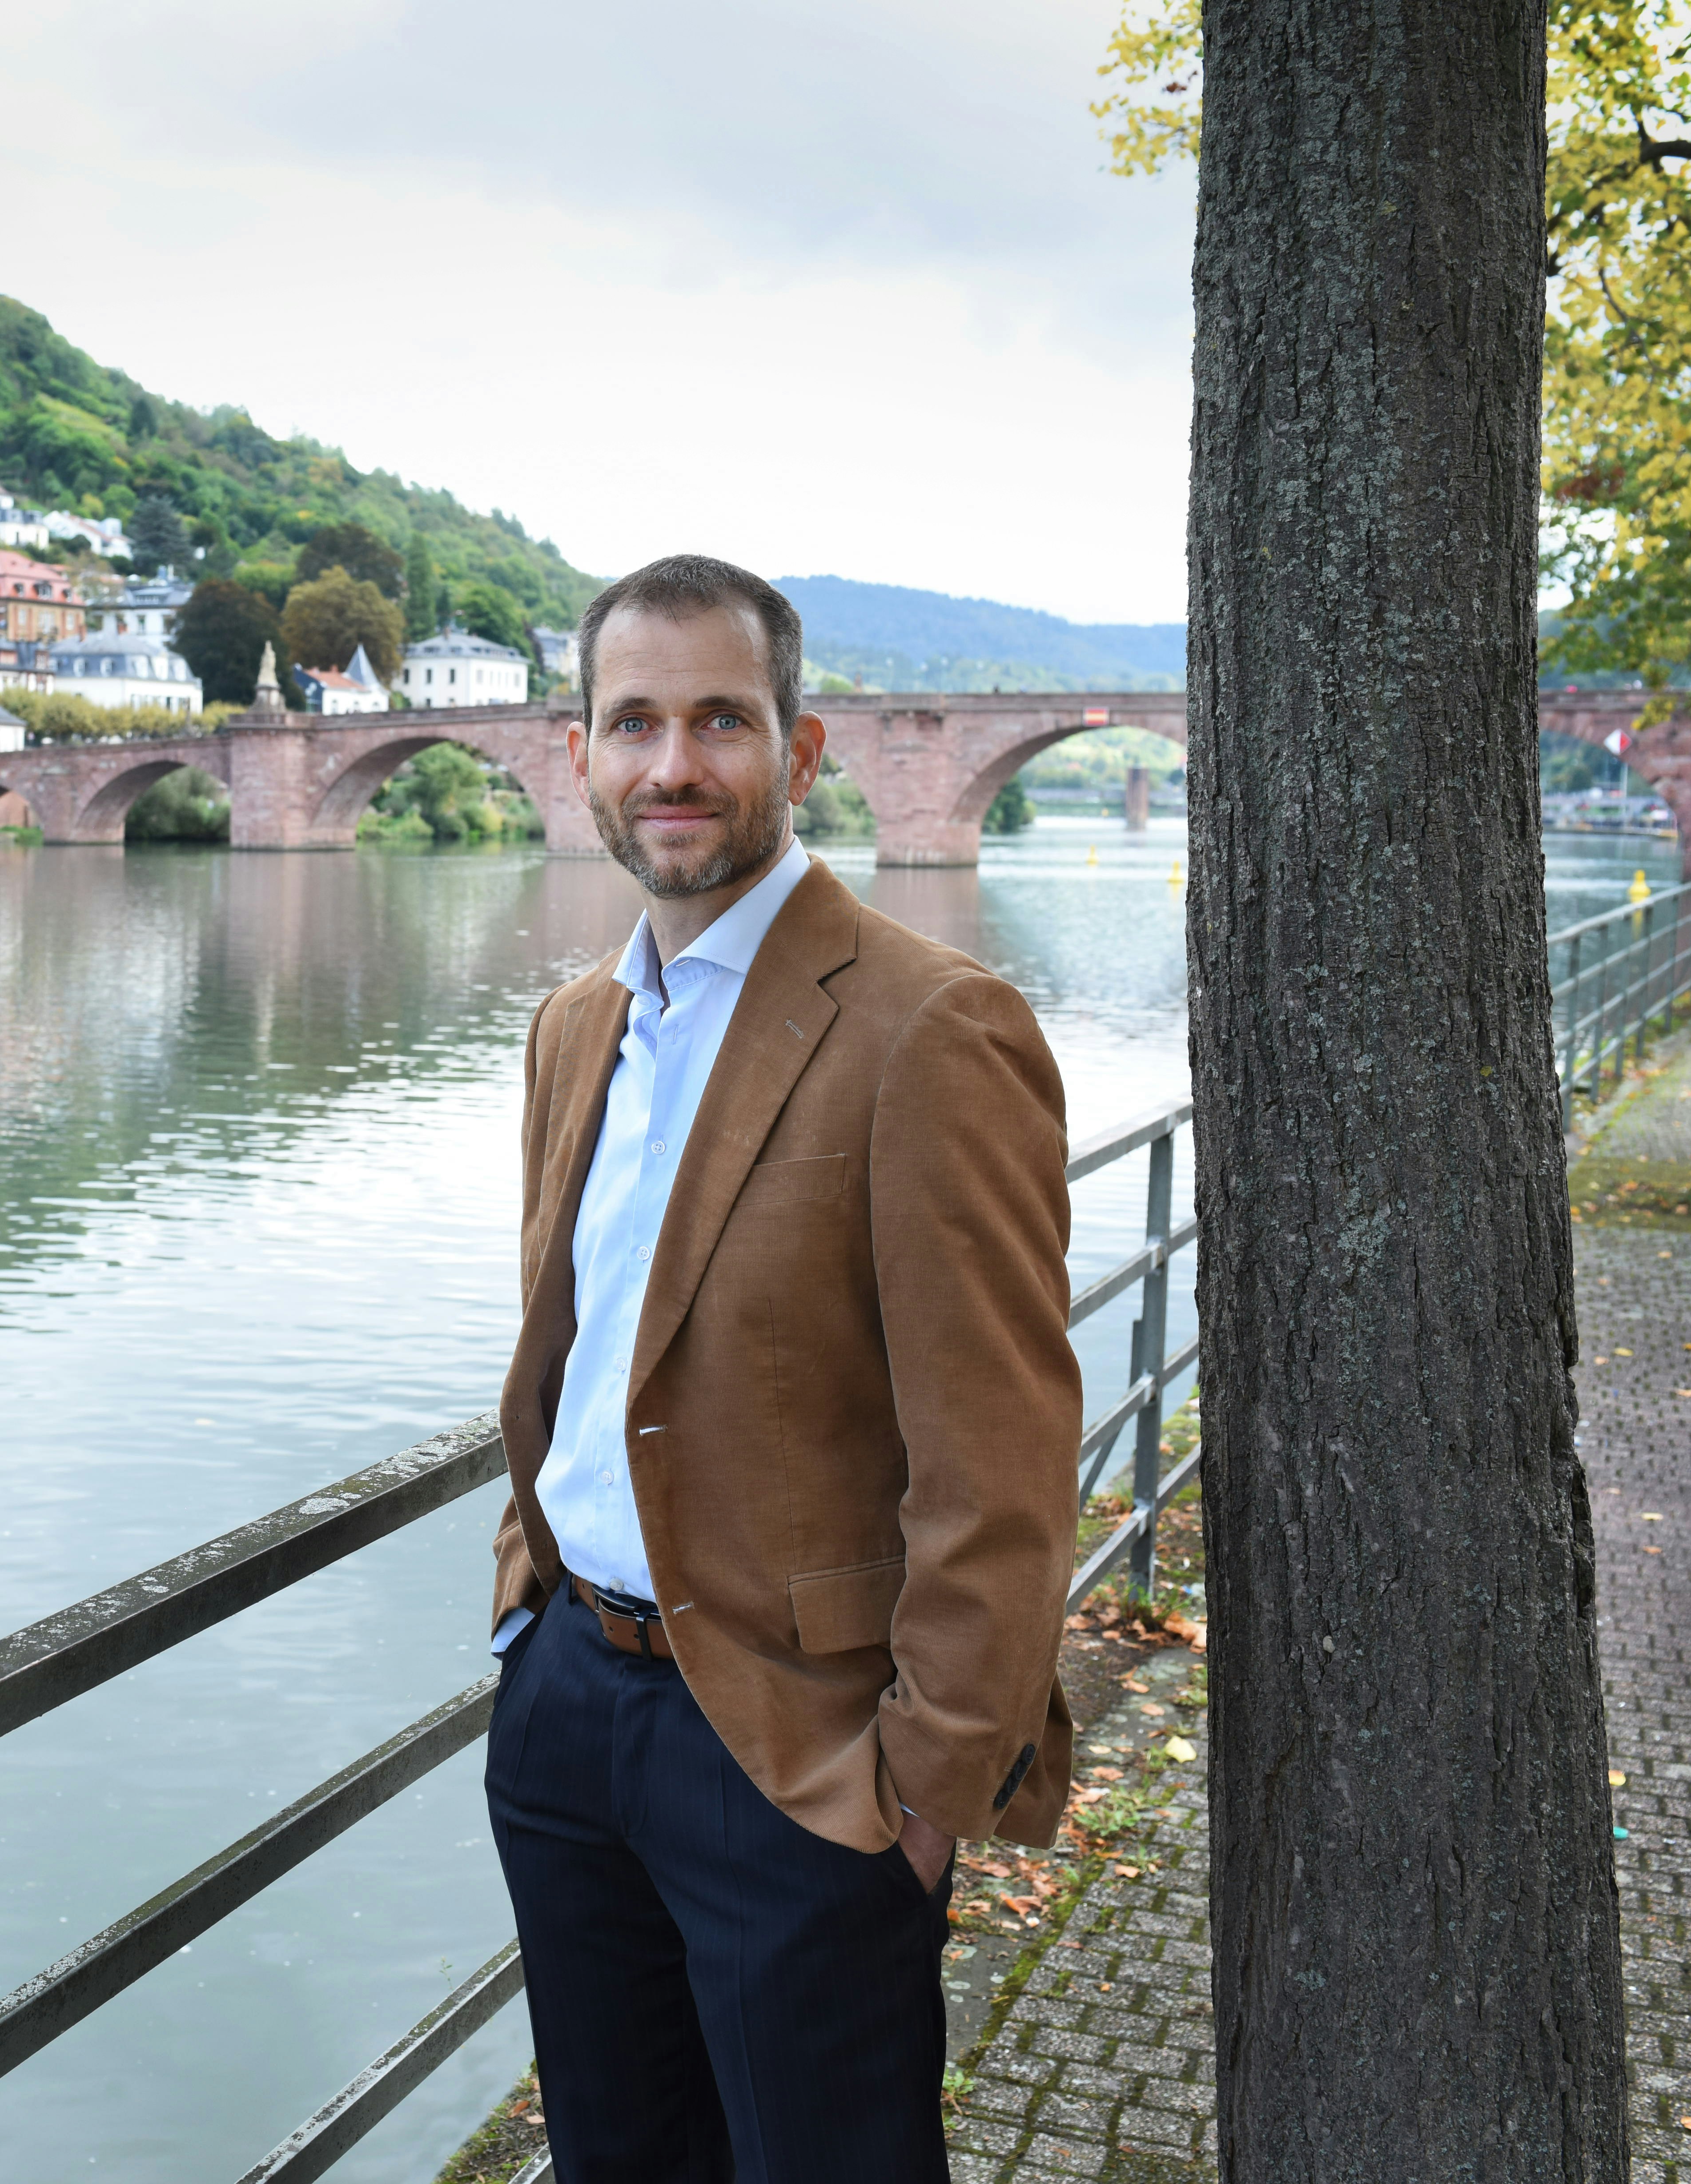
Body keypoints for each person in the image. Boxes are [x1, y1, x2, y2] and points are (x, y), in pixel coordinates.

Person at [483, 554, 1080, 2182]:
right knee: (619, 2159)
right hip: (567, 1713)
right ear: (582, 754)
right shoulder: (573, 1027)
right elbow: (575, 1339)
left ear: (801, 753)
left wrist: (927, 1797)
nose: (674, 765)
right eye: (635, 723)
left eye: (720, 721)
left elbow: (1005, 1456)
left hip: (800, 1755)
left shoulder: (930, 1026)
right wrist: (524, 1599)